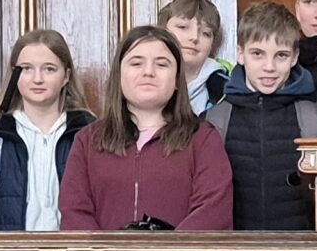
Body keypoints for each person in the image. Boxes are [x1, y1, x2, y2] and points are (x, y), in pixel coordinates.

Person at [59, 27, 235, 232]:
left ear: (177, 79)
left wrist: (164, 250)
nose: (148, 72)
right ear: (119, 75)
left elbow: (212, 212)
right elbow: (74, 212)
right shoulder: (88, 141)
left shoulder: (203, 139)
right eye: (136, 63)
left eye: (162, 64)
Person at [0, 30, 94, 234]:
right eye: (26, 69)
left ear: (66, 76)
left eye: (49, 69)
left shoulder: (90, 136)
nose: (37, 79)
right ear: (14, 75)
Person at [207, 1, 317, 231]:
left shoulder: (311, 116)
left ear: (294, 57)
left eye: (281, 55)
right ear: (241, 54)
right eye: (258, 54)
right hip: (236, 246)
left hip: (299, 246)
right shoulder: (218, 117)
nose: (269, 67)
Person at [158, 0, 232, 114]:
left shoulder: (227, 89)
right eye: (183, 27)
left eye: (206, 33)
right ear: (162, 31)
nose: (194, 37)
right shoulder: (142, 79)